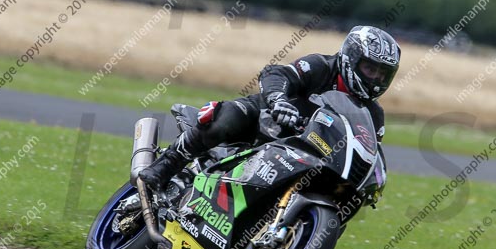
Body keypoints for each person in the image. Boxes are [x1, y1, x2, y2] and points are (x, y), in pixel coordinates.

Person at [139, 25, 401, 193]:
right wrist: (278, 101)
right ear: (351, 59)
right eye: (370, 68)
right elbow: (276, 73)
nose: (375, 78)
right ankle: (164, 167)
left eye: (382, 74)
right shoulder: (321, 66)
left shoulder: (374, 115)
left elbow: (370, 149)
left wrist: (373, 180)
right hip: (264, 122)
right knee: (223, 119)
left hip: (306, 156)